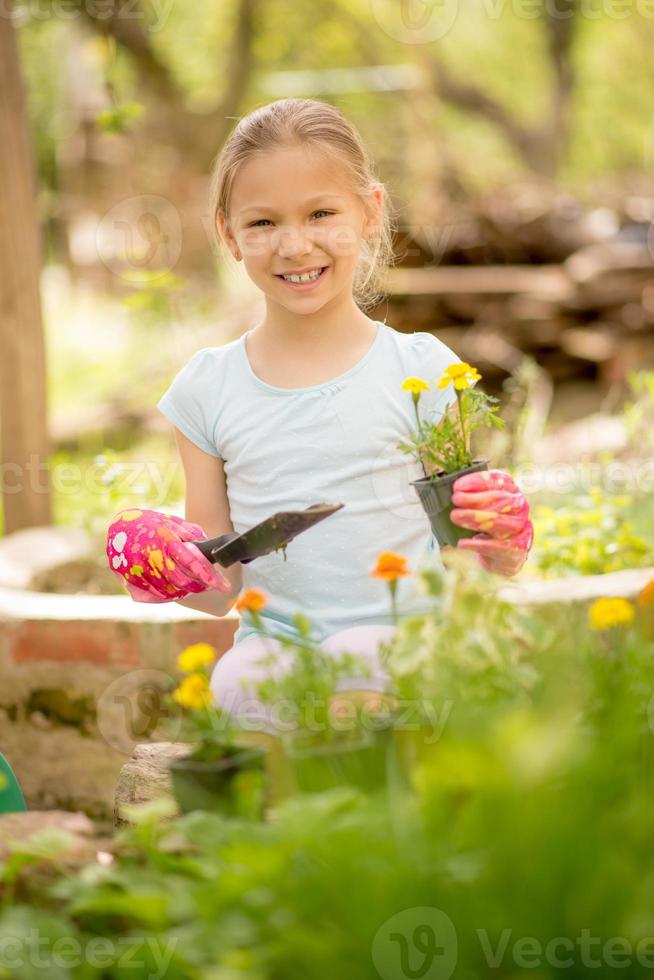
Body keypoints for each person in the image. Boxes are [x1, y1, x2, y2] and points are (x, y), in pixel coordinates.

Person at [106, 98, 533, 736]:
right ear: (228, 233)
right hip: (276, 649)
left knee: (358, 669)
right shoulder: (207, 389)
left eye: (321, 213)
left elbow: (466, 560)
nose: (294, 243)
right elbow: (220, 587)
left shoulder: (421, 373)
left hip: (407, 644)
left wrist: (500, 542)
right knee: (237, 682)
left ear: (370, 213)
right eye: (263, 222)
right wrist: (158, 568)